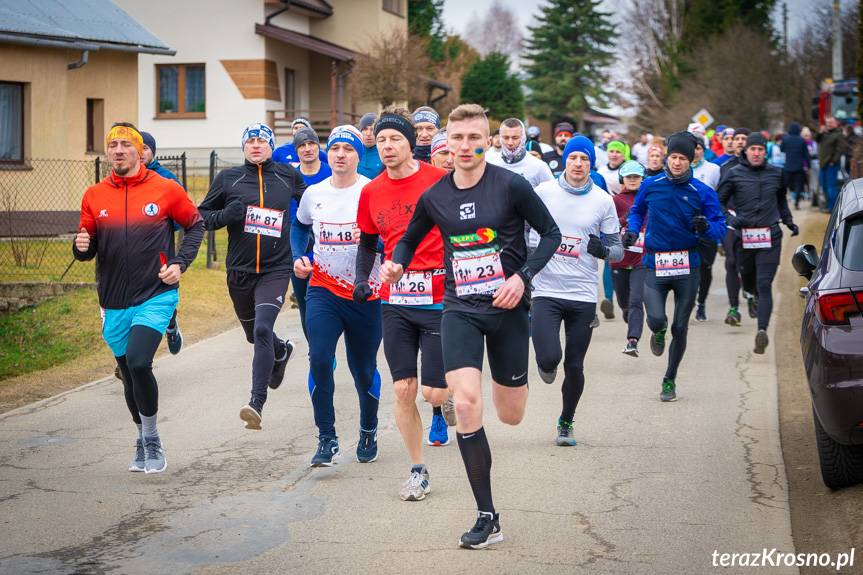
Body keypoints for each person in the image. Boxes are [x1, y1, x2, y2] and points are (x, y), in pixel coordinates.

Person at [383, 104, 561, 549]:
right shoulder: (436, 196)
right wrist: (397, 263)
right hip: (459, 308)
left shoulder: (512, 186)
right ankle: (487, 515)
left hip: (508, 311)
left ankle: (521, 380)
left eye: (473, 138)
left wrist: (522, 279)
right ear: (446, 141)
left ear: (489, 141)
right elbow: (409, 236)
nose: (465, 146)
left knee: (511, 415)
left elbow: (552, 234)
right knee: (464, 405)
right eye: (457, 138)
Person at [74, 123, 204, 473]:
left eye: (125, 145)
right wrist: (80, 247)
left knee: (138, 362)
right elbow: (90, 246)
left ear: (139, 151)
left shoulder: (166, 189)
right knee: (127, 374)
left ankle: (152, 439)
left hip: (156, 294)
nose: (118, 150)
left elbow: (196, 225)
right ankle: (141, 436)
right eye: (112, 144)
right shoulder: (94, 195)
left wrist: (179, 264)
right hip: (113, 299)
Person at [353, 109, 452, 501]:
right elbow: (366, 241)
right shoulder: (371, 190)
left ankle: (449, 398)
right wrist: (364, 279)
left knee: (434, 394)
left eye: (395, 139)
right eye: (380, 141)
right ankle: (417, 469)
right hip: (395, 300)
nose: (388, 146)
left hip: (440, 298)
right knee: (403, 388)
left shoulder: (439, 181)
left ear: (411, 142)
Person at [289, 125, 383, 466]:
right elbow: (299, 226)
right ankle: (326, 438)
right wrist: (299, 255)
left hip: (364, 295)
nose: (341, 154)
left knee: (362, 369)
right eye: (336, 148)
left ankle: (369, 428)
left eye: (348, 148)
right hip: (323, 290)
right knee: (319, 358)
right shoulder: (314, 193)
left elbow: (388, 235)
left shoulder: (372, 191)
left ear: (359, 155)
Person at [198, 123, 301, 430]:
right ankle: (281, 351)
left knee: (261, 331)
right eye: (250, 141)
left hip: (276, 269)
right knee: (252, 334)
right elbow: (201, 217)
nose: (256, 145)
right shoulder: (229, 178)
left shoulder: (287, 176)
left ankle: (256, 403)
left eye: (262, 141)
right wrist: (225, 216)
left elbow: (312, 205)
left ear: (271, 145)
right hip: (240, 272)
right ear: (244, 147)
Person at [530, 135, 623, 446]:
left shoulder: (602, 200)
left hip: (582, 294)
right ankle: (546, 363)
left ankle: (566, 421)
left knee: (575, 364)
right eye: (573, 158)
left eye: (584, 159)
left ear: (590, 163)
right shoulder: (543, 192)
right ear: (565, 160)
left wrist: (603, 250)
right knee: (548, 359)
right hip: (545, 288)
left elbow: (618, 251)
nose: (579, 164)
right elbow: (524, 231)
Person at [625, 132, 726, 402]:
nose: (677, 163)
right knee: (657, 318)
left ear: (690, 160)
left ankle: (669, 379)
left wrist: (707, 227)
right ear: (667, 158)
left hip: (687, 265)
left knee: (680, 328)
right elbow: (637, 211)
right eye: (673, 157)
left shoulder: (702, 192)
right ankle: (657, 331)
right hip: (655, 263)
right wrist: (633, 231)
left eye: (682, 158)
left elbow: (719, 227)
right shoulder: (651, 184)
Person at [718, 132, 799, 354]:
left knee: (765, 284)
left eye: (760, 150)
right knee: (749, 281)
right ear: (746, 151)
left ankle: (761, 331)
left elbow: (781, 200)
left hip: (770, 236)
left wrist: (789, 222)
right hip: (744, 237)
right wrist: (731, 220)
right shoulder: (734, 174)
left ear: (765, 152)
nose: (756, 153)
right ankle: (750, 293)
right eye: (753, 149)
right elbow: (718, 202)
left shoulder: (776, 174)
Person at [140, 132, 183, 355]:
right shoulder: (120, 180)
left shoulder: (166, 179)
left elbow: (184, 216)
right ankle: (128, 359)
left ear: (153, 152)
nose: (140, 152)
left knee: (162, 294)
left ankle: (171, 324)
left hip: (160, 251)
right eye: (137, 147)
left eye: (145, 148)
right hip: (131, 254)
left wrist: (162, 226)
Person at [611, 160, 647, 356]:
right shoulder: (615, 201)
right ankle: (628, 314)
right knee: (624, 302)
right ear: (622, 179)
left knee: (636, 300)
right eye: (629, 177)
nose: (633, 180)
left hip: (642, 258)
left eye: (636, 177)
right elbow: (607, 226)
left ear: (643, 179)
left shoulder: (648, 199)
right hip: (620, 258)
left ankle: (633, 340)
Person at [689, 134, 722, 322]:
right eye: (692, 148)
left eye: (699, 148)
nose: (695, 151)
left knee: (705, 268)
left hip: (707, 226)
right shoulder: (679, 169)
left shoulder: (713, 169)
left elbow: (719, 196)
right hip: (686, 226)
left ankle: (701, 303)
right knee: (690, 268)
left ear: (704, 150)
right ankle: (688, 301)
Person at [488, 118, 554, 187]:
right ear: (500, 138)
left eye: (515, 138)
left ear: (523, 138)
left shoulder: (539, 166)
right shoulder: (491, 163)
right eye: (506, 138)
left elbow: (552, 194)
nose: (510, 143)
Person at [815, 116, 846, 212]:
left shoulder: (839, 134)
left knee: (831, 187)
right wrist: (820, 132)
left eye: (831, 123)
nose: (828, 125)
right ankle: (828, 206)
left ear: (836, 123)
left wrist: (834, 161)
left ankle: (833, 208)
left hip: (831, 165)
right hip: (822, 164)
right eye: (827, 123)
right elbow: (817, 139)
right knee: (824, 186)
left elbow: (840, 149)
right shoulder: (825, 134)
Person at [781, 122, 811, 210]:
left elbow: (781, 149)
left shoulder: (785, 139)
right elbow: (806, 154)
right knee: (798, 185)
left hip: (788, 166)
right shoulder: (801, 140)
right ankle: (796, 202)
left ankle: (783, 203)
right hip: (799, 167)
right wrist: (808, 165)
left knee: (785, 185)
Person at [357, 112, 384, 179]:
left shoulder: (384, 152)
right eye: (365, 129)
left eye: (372, 129)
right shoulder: (353, 152)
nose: (368, 133)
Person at [802, 126, 819, 207]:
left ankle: (814, 199)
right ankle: (806, 195)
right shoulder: (801, 143)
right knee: (805, 183)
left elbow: (815, 153)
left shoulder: (813, 143)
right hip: (803, 165)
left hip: (813, 165)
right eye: (804, 135)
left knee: (813, 182)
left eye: (807, 135)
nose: (806, 137)